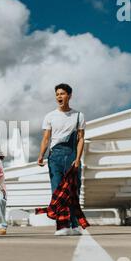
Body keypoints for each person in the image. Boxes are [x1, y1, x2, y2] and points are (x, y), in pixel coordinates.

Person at [37, 83, 87, 236]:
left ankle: (74, 225)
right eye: (57, 94)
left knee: (73, 191)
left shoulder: (79, 115)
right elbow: (46, 138)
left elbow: (81, 139)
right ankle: (62, 226)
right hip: (55, 156)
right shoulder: (50, 116)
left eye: (62, 93)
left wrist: (78, 159)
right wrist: (40, 155)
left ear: (69, 96)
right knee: (57, 191)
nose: (59, 96)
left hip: (72, 155)